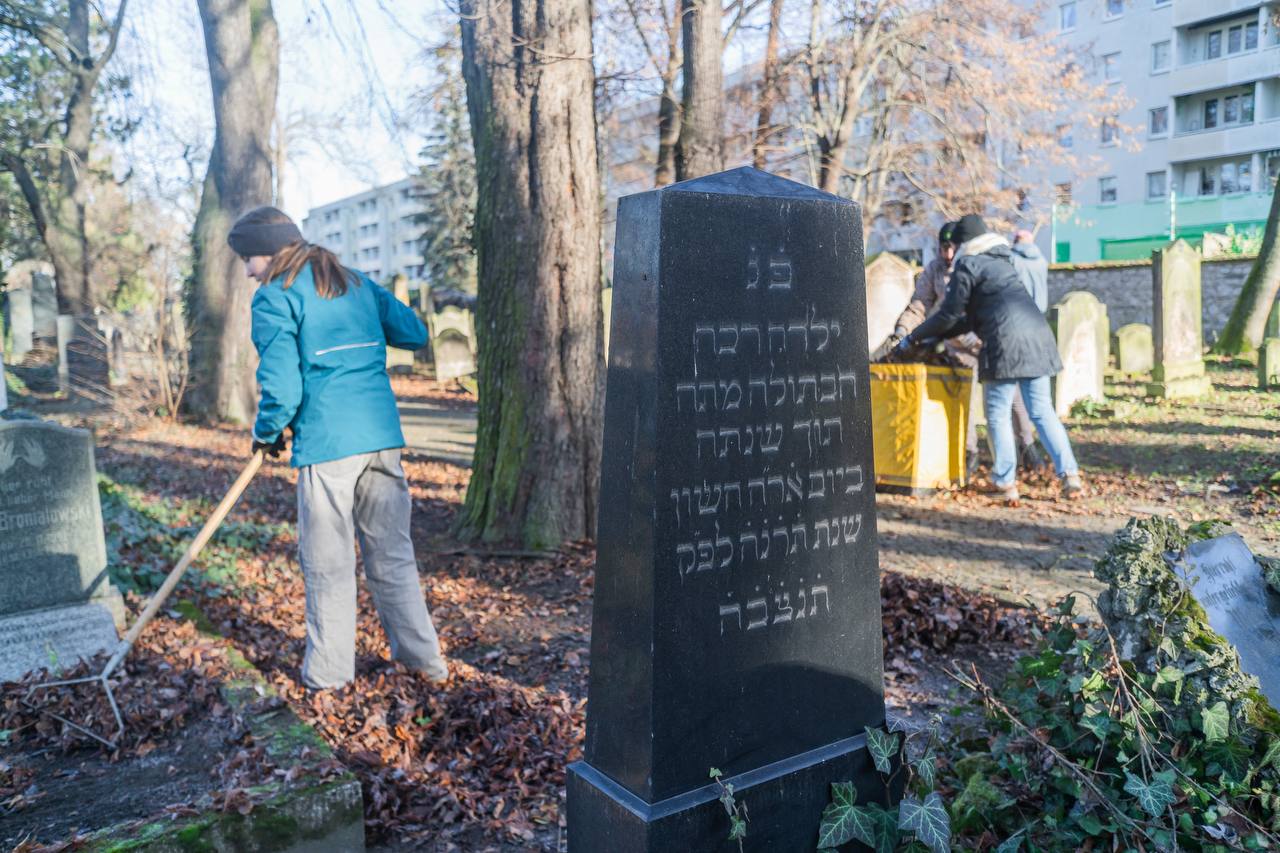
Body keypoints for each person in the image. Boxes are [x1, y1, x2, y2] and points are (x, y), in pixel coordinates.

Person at [229, 205, 449, 690]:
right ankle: (424, 665)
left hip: (329, 444)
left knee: (327, 563)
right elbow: (413, 333)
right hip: (381, 439)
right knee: (392, 555)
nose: (247, 269)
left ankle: (329, 677)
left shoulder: (273, 297)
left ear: (272, 251)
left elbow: (282, 385)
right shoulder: (353, 281)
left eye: (250, 257)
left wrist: (268, 433)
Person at [894, 214, 1083, 502]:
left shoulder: (968, 264)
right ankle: (1070, 475)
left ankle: (1005, 482)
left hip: (1003, 345)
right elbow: (968, 319)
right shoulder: (1003, 261)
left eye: (954, 245)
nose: (951, 252)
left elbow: (949, 314)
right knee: (1043, 412)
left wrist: (913, 337)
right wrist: (933, 335)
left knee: (997, 414)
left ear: (962, 244)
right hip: (1039, 340)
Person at [892, 221, 1038, 477]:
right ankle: (968, 454)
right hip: (959, 348)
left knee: (1012, 400)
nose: (947, 255)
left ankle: (1028, 447)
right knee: (966, 404)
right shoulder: (935, 270)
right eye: (943, 248)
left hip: (991, 341)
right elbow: (919, 305)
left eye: (952, 248)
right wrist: (903, 331)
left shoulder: (975, 263)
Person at [1009, 230, 1049, 313]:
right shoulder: (1042, 260)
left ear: (1016, 241)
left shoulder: (1011, 258)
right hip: (1039, 307)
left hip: (1019, 309)